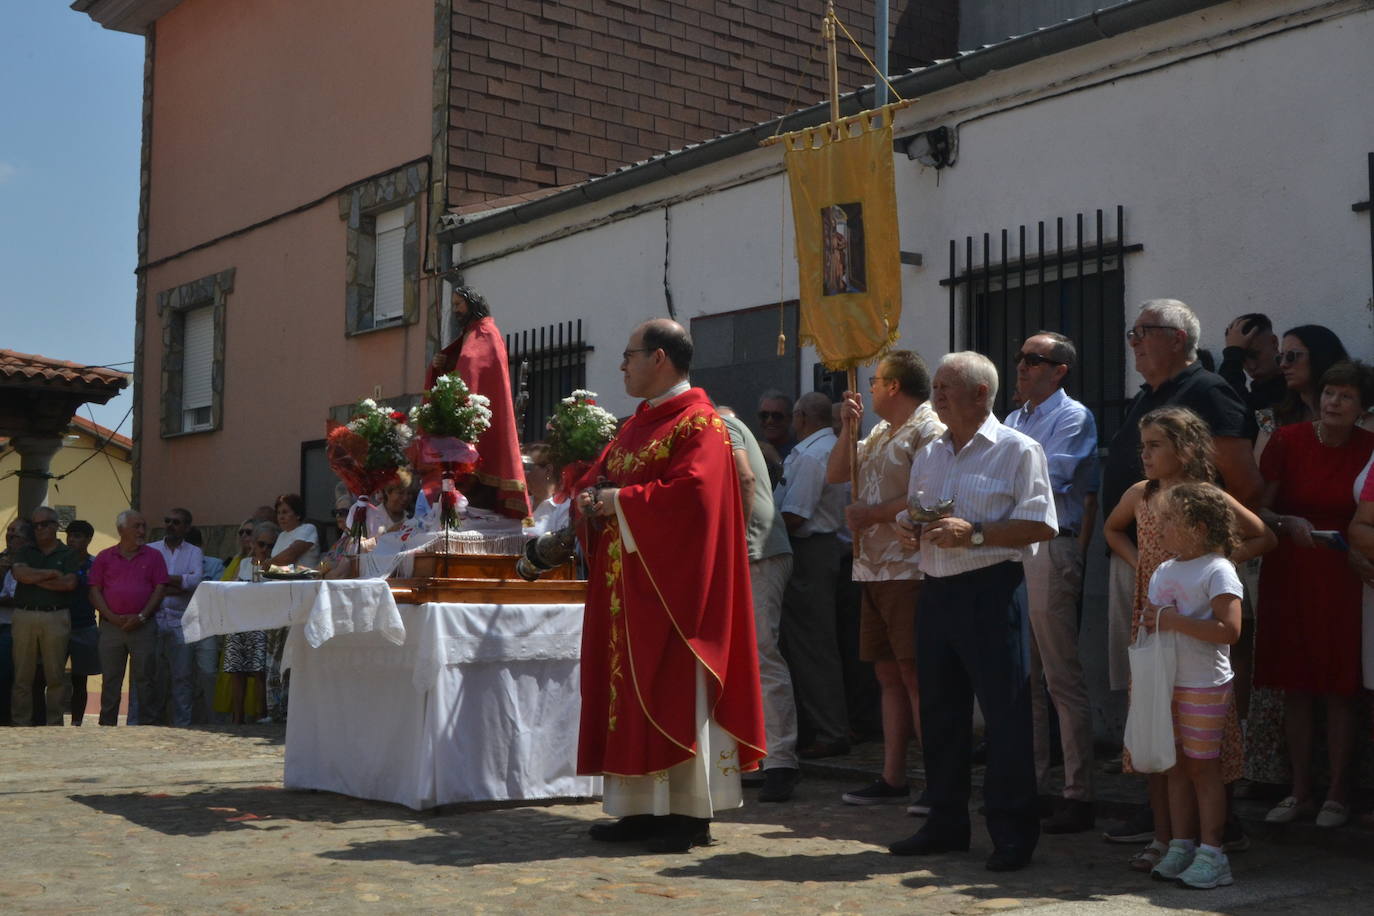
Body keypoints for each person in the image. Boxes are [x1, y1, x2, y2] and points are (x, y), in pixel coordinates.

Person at [575, 318, 764, 854]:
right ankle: (637, 810)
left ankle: (685, 813)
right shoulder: (636, 425)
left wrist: (619, 503)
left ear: (659, 358)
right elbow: (597, 479)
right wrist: (589, 500)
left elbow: (697, 497)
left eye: (629, 355)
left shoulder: (699, 424)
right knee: (628, 697)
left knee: (674, 690)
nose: (622, 365)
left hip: (674, 592)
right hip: (626, 588)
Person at [1099, 299, 1261, 845]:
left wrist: (1208, 566)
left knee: (1203, 705)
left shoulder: (1209, 391)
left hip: (1196, 596)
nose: (1134, 341)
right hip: (1150, 588)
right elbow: (1115, 525)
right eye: (1132, 332)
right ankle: (1167, 824)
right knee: (1150, 702)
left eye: (1143, 331)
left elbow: (1247, 490)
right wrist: (1139, 562)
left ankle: (1216, 823)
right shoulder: (1150, 399)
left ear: (1177, 337)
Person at [887, 351, 1056, 872]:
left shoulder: (1018, 450)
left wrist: (975, 532)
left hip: (991, 589)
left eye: (945, 386)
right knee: (940, 714)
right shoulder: (931, 452)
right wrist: (905, 524)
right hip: (935, 589)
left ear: (981, 393)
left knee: (1004, 717)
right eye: (935, 386)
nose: (936, 395)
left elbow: (1041, 524)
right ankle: (945, 823)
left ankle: (1012, 832)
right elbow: (918, 509)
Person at [1254, 362, 1374, 828]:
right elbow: (1257, 506)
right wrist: (1286, 523)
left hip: (1347, 577)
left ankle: (1339, 794)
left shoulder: (1370, 449)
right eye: (1328, 393)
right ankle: (1300, 790)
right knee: (1296, 685)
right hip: (1291, 571)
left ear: (1363, 407)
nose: (1333, 403)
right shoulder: (1289, 441)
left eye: (1345, 396)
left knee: (1341, 686)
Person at [826, 351, 944, 810]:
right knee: (887, 674)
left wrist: (871, 514)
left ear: (894, 386)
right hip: (871, 566)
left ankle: (937, 780)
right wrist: (847, 428)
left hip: (908, 565)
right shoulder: (876, 431)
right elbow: (837, 474)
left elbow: (927, 495)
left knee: (916, 675)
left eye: (875, 381)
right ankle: (893, 776)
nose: (869, 387)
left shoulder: (927, 428)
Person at [1003, 332, 1100, 834]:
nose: (1021, 366)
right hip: (1012, 544)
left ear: (1059, 369)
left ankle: (1078, 792)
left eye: (1033, 359)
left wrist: (1002, 470)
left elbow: (1050, 477)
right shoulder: (1015, 419)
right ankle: (1034, 785)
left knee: (1060, 675)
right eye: (1020, 358)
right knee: (1024, 676)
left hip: (1050, 541)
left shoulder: (1073, 416)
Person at [1136, 482, 1245, 890]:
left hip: (1202, 684)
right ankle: (1181, 845)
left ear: (1197, 526)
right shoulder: (1165, 569)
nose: (1159, 529)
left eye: (1168, 522)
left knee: (1203, 767)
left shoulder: (1218, 569)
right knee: (1175, 765)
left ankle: (1213, 853)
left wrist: (1173, 620)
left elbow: (1230, 630)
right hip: (1166, 683)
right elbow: (1153, 620)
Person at [718, 405, 801, 803]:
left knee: (762, 653)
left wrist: (734, 544)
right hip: (751, 550)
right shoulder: (720, 423)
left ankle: (781, 760)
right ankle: (754, 756)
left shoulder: (720, 423)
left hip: (757, 551)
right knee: (742, 656)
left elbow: (745, 477)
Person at [775, 390, 852, 759]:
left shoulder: (811, 454)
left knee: (812, 645)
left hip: (810, 551)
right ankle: (817, 726)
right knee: (807, 644)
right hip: (819, 549)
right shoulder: (826, 448)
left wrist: (760, 525)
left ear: (801, 416)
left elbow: (796, 515)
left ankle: (829, 730)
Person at [426, 284, 529, 520]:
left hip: (482, 415)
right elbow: (461, 368)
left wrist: (455, 369)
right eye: (453, 306)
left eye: (458, 305)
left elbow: (473, 369)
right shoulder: (469, 335)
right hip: (466, 417)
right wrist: (441, 365)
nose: (455, 310)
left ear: (472, 304)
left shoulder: (486, 332)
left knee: (485, 464)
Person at [89, 511, 168, 726]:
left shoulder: (154, 556)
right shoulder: (105, 557)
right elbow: (95, 591)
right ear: (121, 530)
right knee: (111, 680)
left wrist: (142, 616)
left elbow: (159, 589)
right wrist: (112, 617)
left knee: (146, 679)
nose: (142, 531)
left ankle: (147, 726)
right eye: (137, 526)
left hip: (143, 626)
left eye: (144, 526)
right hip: (111, 627)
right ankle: (107, 725)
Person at [10, 506, 80, 726]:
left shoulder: (67, 553)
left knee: (56, 675)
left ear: (54, 526)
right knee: (22, 676)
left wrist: (33, 577)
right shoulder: (25, 551)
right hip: (25, 615)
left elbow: (69, 584)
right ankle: (20, 723)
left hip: (55, 616)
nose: (39, 529)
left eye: (43, 524)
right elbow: (20, 574)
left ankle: (55, 724)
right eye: (35, 525)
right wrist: (50, 574)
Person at [148, 507, 206, 727]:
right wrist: (177, 583)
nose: (170, 525)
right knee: (152, 676)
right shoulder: (151, 550)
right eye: (167, 520)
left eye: (176, 522)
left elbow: (195, 581)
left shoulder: (193, 552)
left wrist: (162, 582)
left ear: (186, 527)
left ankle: (183, 724)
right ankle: (147, 722)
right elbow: (148, 582)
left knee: (182, 677)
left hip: (181, 621)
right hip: (154, 619)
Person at [230, 521, 277, 723]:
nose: (265, 549)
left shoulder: (277, 567)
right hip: (240, 620)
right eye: (261, 544)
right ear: (253, 544)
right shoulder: (243, 564)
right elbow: (232, 587)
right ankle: (237, 718)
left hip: (262, 622)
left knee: (259, 672)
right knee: (236, 671)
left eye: (270, 545)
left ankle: (261, 716)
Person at [1218, 313, 1285, 432]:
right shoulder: (1261, 393)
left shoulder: (1291, 388)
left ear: (1274, 342)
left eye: (1255, 355)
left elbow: (1233, 405)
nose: (1251, 366)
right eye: (1242, 359)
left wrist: (1233, 355)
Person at [63, 520, 100, 726]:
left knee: (80, 679)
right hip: (58, 624)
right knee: (51, 677)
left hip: (85, 625)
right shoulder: (59, 562)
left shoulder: (94, 565)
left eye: (77, 536)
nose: (71, 539)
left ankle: (77, 722)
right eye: (69, 535)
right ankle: (52, 722)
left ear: (88, 540)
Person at [0, 518, 35, 725]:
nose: (10, 536)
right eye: (9, 532)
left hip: (16, 626)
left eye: (16, 534)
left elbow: (17, 597)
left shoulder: (29, 562)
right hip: (3, 623)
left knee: (12, 676)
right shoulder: (3, 560)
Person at [270, 494, 321, 570]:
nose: (281, 517)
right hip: (280, 580)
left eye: (285, 512)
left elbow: (290, 555)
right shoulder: (281, 535)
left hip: (303, 580)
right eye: (278, 513)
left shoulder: (308, 528)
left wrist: (268, 563)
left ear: (298, 514)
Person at [757, 389, 797, 471]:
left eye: (777, 416)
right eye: (764, 415)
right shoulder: (754, 449)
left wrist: (777, 460)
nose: (769, 421)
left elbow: (795, 482)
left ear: (790, 419)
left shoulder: (798, 453)